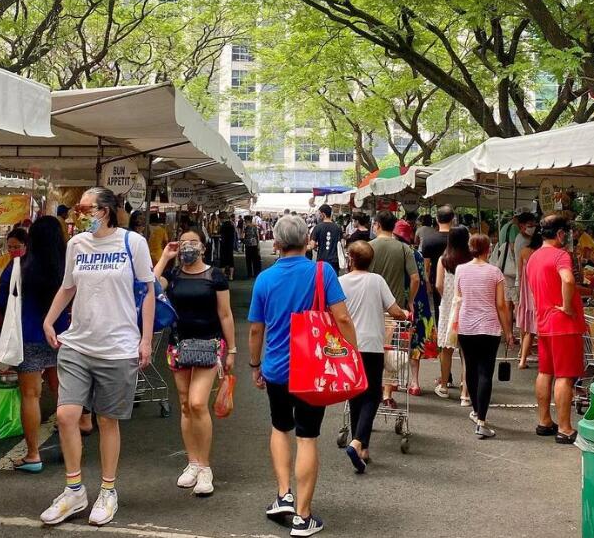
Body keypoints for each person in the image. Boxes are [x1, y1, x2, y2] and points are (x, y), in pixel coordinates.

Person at [40, 187, 155, 527]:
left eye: (84, 207)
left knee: (107, 420)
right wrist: (50, 319)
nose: (78, 213)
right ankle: (74, 490)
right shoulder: (76, 244)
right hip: (78, 343)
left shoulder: (132, 243)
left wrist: (145, 339)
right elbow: (68, 286)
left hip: (118, 347)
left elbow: (148, 290)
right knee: (66, 415)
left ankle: (108, 491)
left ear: (104, 210)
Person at [248, 214, 357, 537]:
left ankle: (283, 495)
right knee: (307, 436)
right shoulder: (322, 273)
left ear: (277, 243)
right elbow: (343, 318)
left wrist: (255, 366)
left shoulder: (265, 280)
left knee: (280, 428)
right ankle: (303, 516)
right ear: (307, 240)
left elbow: (256, 329)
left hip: (277, 370)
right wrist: (353, 356)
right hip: (314, 369)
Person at [155, 229, 236, 497]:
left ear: (203, 247)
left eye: (193, 242)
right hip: (178, 345)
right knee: (186, 405)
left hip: (209, 345)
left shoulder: (215, 276)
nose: (188, 247)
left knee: (198, 402)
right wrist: (165, 258)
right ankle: (192, 462)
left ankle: (205, 467)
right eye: (184, 242)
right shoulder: (173, 275)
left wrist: (232, 349)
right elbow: (149, 288)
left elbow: (225, 314)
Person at [0, 216, 69, 472]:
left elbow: (2, 300)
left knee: (30, 395)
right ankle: (70, 446)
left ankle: (33, 454)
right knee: (64, 393)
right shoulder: (68, 266)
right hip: (64, 336)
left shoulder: (18, 267)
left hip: (29, 336)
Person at [339, 240, 409, 471]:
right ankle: (358, 441)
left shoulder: (340, 282)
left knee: (355, 393)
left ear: (350, 259)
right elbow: (393, 310)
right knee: (372, 394)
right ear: (372, 261)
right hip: (372, 344)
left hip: (348, 346)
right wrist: (405, 315)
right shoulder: (377, 281)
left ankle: (363, 448)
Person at [527, 212, 585, 444]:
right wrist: (568, 306)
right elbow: (568, 280)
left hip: (543, 321)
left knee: (545, 372)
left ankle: (544, 421)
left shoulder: (533, 257)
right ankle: (565, 427)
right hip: (563, 324)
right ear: (560, 233)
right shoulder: (560, 255)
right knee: (565, 376)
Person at [454, 234, 515, 439]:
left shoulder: (460, 270)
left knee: (470, 369)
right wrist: (508, 331)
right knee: (485, 373)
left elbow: (458, 296)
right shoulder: (495, 272)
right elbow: (501, 305)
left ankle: (476, 411)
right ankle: (481, 420)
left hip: (466, 326)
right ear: (488, 249)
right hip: (489, 327)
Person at [369, 211, 418, 408]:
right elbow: (415, 278)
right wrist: (410, 300)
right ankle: (387, 394)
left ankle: (370, 389)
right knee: (391, 352)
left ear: (378, 225)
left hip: (370, 308)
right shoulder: (404, 249)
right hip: (394, 309)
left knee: (370, 351)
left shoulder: (368, 247)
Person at [393, 220, 437, 396]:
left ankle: (394, 380)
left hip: (399, 300)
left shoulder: (396, 253)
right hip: (419, 301)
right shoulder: (417, 255)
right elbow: (423, 278)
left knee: (395, 340)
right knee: (416, 341)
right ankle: (415, 383)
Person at [434, 224, 471, 400]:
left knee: (446, 348)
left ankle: (443, 386)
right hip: (467, 307)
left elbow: (438, 284)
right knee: (466, 351)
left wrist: (446, 297)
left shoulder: (444, 259)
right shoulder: (471, 260)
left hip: (448, 307)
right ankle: (466, 388)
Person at [516, 229, 543, 369]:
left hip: (525, 291)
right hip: (538, 291)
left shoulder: (523, 251)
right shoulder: (541, 254)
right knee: (542, 330)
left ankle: (522, 360)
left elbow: (520, 273)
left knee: (530, 331)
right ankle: (547, 361)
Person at [0, 227, 28, 300]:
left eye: (16, 247)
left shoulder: (30, 263)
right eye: (9, 247)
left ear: (26, 246)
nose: (12, 250)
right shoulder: (2, 260)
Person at [309, 205, 342, 270]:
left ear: (323, 214)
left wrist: (316, 246)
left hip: (322, 260)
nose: (318, 216)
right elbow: (342, 243)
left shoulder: (318, 227)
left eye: (319, 214)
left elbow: (312, 245)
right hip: (335, 260)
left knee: (322, 279)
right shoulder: (338, 227)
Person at [243, 215, 262, 279]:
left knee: (250, 260)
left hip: (251, 245)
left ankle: (251, 274)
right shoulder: (250, 227)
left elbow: (257, 236)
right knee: (253, 260)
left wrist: (258, 245)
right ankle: (254, 273)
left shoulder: (252, 227)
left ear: (247, 220)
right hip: (252, 245)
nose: (244, 221)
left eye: (245, 220)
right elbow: (257, 236)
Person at [218, 212, 236, 279]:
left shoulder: (223, 226)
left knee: (223, 261)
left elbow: (222, 236)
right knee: (231, 260)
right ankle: (231, 276)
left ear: (222, 218)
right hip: (230, 244)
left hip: (224, 244)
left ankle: (223, 276)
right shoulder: (232, 225)